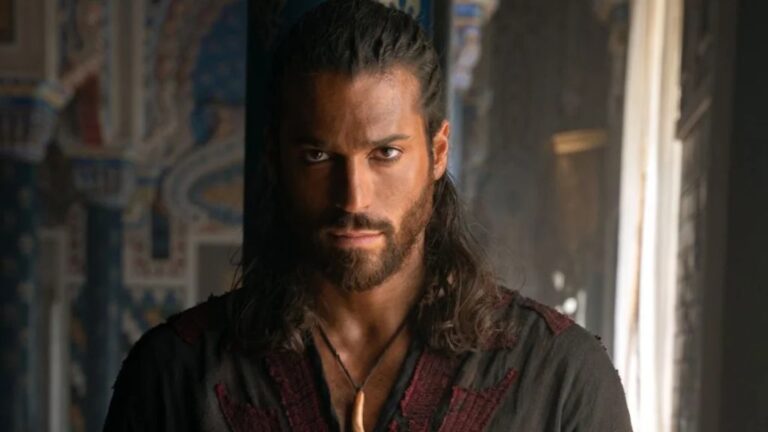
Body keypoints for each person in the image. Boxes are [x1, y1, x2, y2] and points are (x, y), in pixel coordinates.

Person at [104, 1, 632, 430]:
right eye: (318, 156)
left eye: (385, 153)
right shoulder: (176, 374)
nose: (353, 199)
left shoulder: (559, 376)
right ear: (275, 158)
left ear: (437, 152)